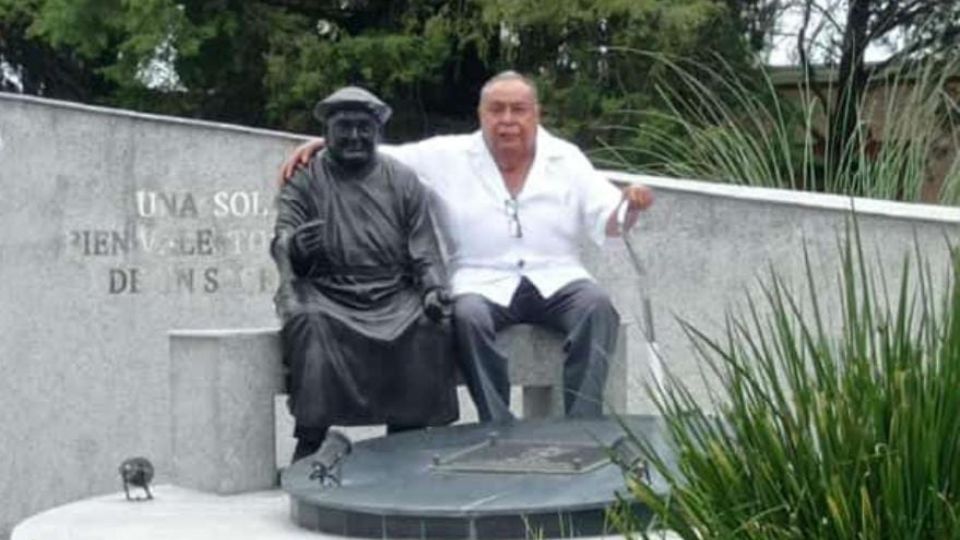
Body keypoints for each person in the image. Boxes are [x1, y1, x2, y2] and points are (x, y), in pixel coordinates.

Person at [280, 71, 653, 423]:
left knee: (597, 307)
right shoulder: (448, 154)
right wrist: (322, 144)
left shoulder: (566, 158)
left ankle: (583, 423)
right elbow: (385, 153)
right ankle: (496, 425)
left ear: (536, 114)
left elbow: (610, 218)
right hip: (481, 278)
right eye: (496, 109)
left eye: (518, 110)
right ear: (481, 114)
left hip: (558, 276)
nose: (507, 119)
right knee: (466, 317)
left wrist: (630, 205)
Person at [272, 86, 458, 461]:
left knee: (427, 324)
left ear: (377, 132)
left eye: (364, 127)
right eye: (344, 127)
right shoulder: (306, 178)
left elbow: (424, 248)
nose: (355, 136)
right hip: (327, 292)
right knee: (310, 324)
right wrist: (295, 248)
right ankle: (311, 439)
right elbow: (282, 235)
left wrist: (434, 289)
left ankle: (408, 434)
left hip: (392, 292)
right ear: (327, 133)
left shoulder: (403, 180)